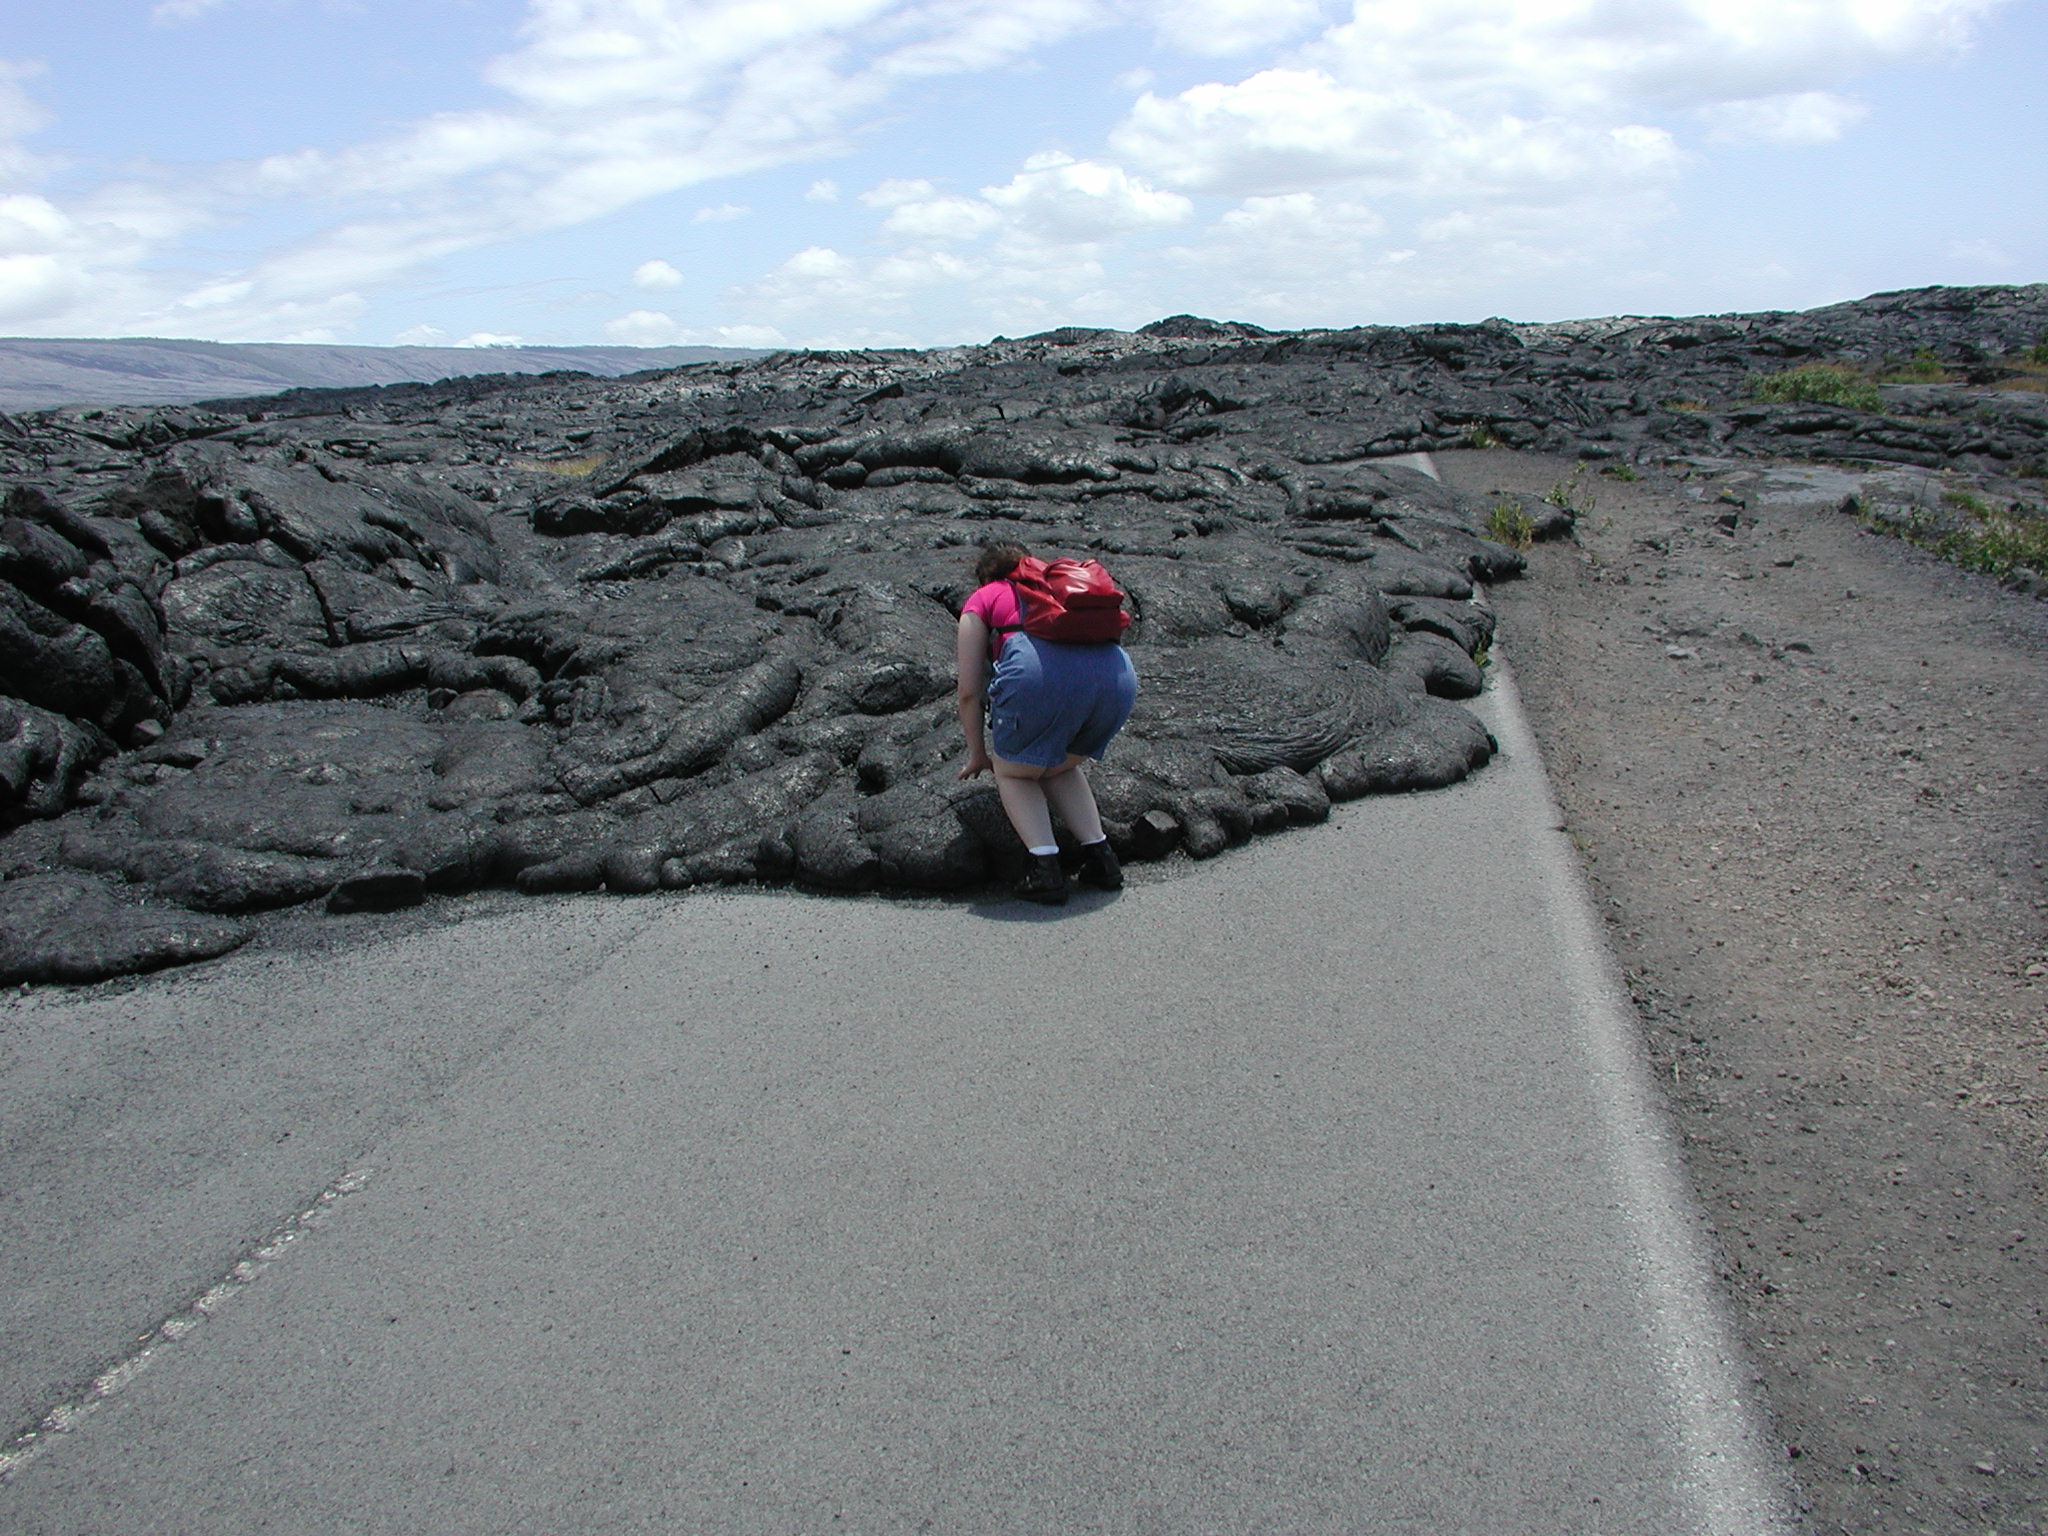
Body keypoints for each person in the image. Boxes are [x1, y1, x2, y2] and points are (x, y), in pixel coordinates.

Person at [956, 541, 1138, 904]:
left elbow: (968, 692)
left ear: (986, 575)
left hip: (1039, 678)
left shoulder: (984, 598)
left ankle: (1045, 870)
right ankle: (1102, 859)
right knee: (1059, 766)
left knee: (1015, 773)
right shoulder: (1057, 590)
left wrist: (978, 754)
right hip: (1117, 679)